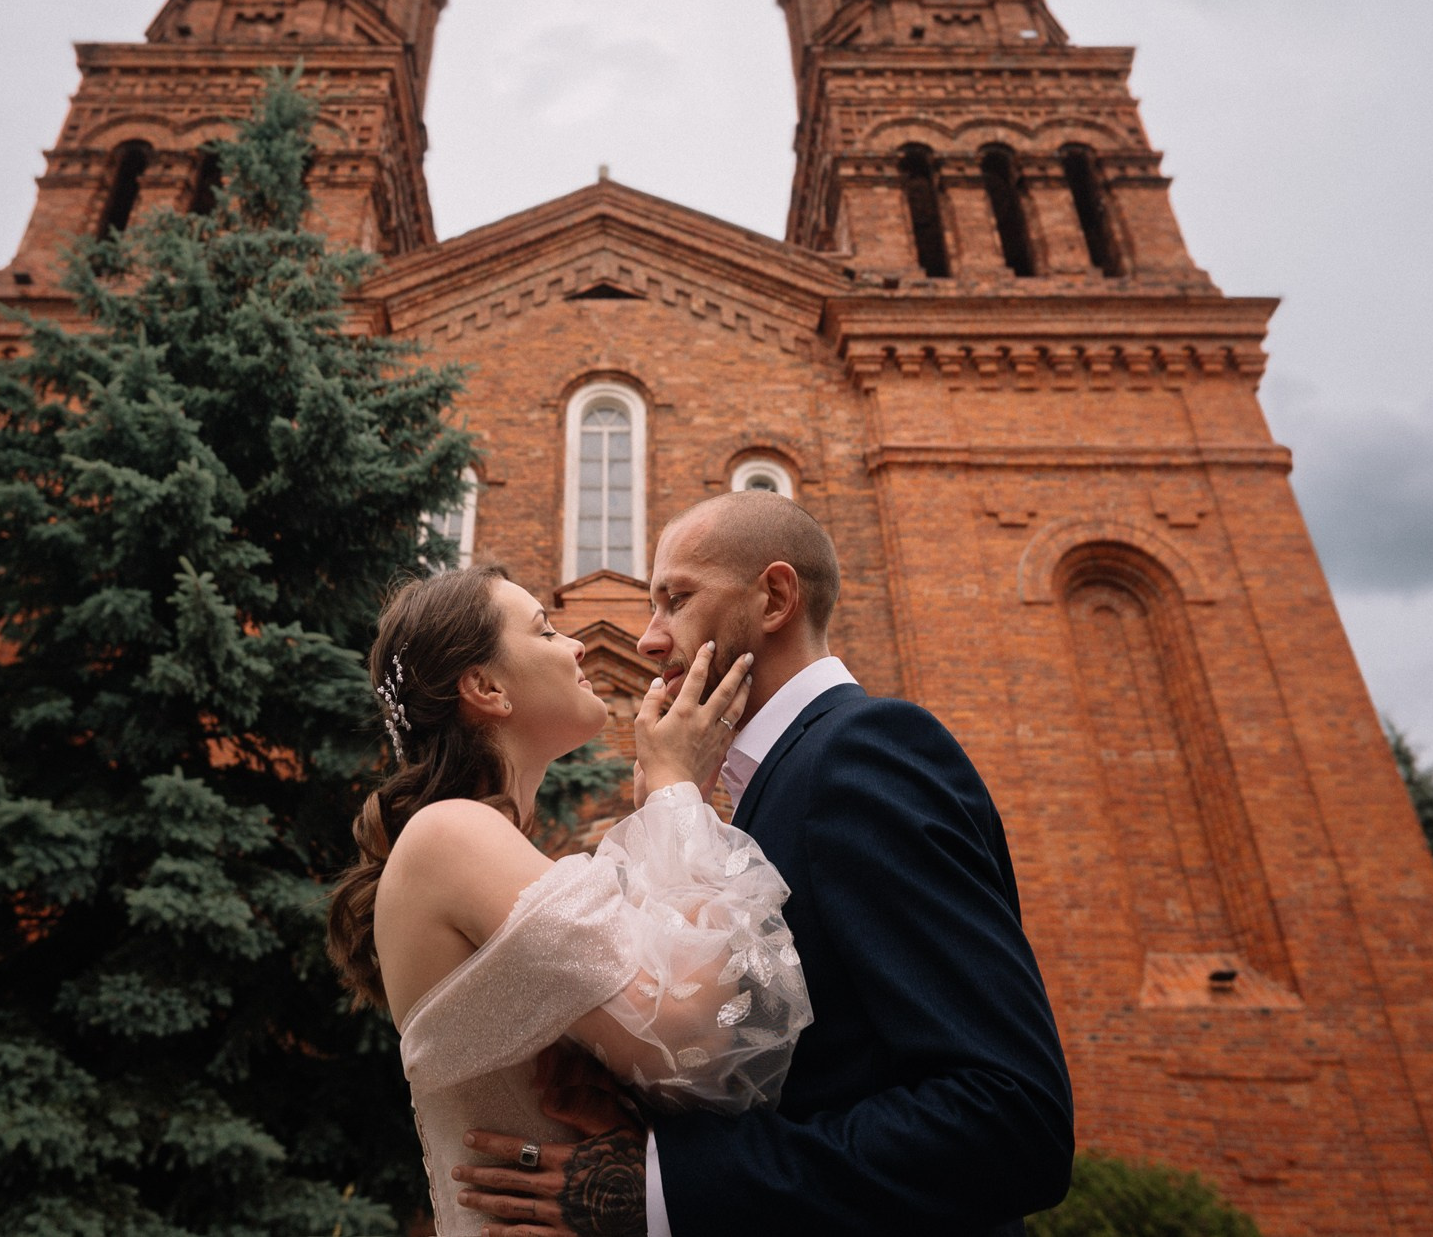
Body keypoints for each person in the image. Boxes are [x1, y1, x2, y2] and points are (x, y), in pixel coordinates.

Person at [456, 490, 1074, 1237]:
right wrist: (642, 1119)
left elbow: (1009, 1114)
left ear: (775, 597)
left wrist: (667, 1186)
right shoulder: (771, 788)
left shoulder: (862, 752)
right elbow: (817, 1075)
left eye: (675, 600)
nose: (649, 640)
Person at [325, 563, 815, 1237]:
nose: (577, 645)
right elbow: (704, 1036)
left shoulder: (476, 847)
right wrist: (676, 792)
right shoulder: (449, 832)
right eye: (545, 629)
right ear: (486, 687)